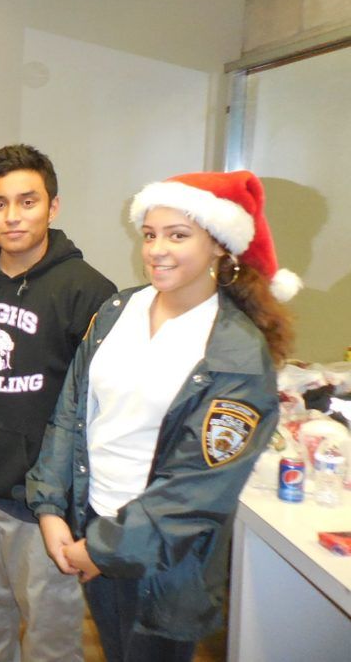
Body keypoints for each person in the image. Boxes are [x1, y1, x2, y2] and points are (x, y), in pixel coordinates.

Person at [27, 170, 298, 662]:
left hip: (164, 563)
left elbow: (195, 490)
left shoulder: (234, 353)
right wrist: (49, 506)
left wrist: (101, 549)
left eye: (178, 236)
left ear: (219, 245)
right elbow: (72, 412)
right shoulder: (118, 310)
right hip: (96, 525)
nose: (156, 249)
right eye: (150, 235)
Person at [0, 144, 115, 662]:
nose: (12, 217)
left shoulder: (88, 291)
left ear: (53, 207)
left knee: (51, 636)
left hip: (42, 505)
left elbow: (99, 405)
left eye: (27, 202)